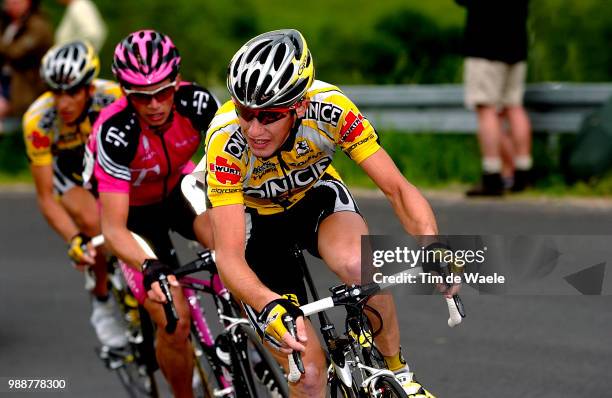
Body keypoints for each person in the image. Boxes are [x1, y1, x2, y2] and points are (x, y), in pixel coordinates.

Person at [194, 29, 459, 398]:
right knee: (310, 373)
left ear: (299, 106)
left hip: (315, 199)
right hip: (257, 226)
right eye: (244, 112)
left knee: (360, 266)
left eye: (268, 116)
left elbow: (396, 188)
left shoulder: (330, 110)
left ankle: (399, 373)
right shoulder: (226, 142)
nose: (254, 129)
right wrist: (267, 305)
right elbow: (229, 255)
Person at [85, 30, 219, 398]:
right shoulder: (116, 132)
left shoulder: (197, 103)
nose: (156, 104)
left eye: (163, 92)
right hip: (132, 214)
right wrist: (149, 266)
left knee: (233, 246)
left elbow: (229, 169)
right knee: (173, 320)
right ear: (126, 94)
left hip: (178, 190)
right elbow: (113, 228)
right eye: (142, 97)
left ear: (177, 81)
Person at [22, 40, 126, 347]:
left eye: (72, 92)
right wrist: (74, 239)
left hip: (107, 162)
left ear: (89, 88)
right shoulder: (38, 120)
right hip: (69, 173)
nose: (64, 102)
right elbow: (45, 197)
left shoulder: (114, 97)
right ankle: (102, 302)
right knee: (94, 226)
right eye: (56, 93)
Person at [456, 0, 533, 196]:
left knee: (486, 109)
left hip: (485, 44)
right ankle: (522, 172)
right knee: (514, 107)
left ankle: (492, 174)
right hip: (516, 45)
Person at [0, 0, 52, 130]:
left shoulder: (38, 26)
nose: (10, 4)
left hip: (24, 86)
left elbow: (15, 52)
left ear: (28, 3)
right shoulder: (9, 23)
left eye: (16, 1)